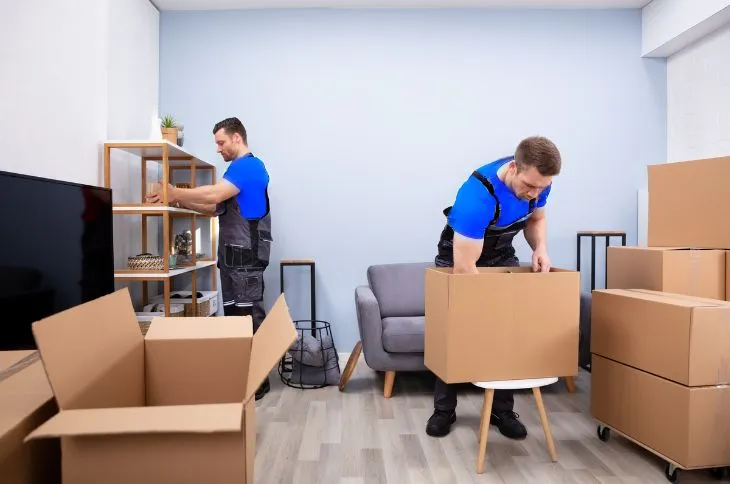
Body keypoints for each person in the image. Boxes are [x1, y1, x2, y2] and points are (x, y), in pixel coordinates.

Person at [426, 135, 562, 439]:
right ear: (513, 167)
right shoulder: (477, 197)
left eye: (541, 188)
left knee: (506, 329)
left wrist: (540, 248)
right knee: (455, 329)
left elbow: (536, 219)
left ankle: (502, 411)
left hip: (501, 253)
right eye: (530, 186)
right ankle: (443, 410)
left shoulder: (539, 180)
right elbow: (465, 266)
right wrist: (483, 309)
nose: (534, 193)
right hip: (460, 256)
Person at [147, 116, 273, 400]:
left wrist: (175, 191)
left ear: (237, 138)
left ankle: (259, 382)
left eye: (221, 142)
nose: (218, 148)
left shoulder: (249, 167)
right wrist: (176, 199)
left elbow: (214, 195)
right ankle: (243, 379)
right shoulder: (235, 172)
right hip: (231, 261)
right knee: (235, 321)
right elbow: (212, 206)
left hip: (245, 262)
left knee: (248, 319)